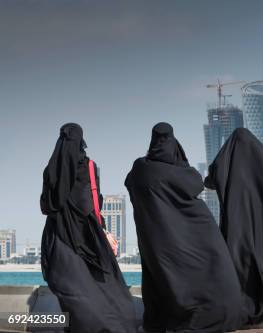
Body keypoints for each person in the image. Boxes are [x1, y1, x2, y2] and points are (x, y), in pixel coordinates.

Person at [124, 123, 244, 333]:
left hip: (157, 240)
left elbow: (130, 183)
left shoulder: (140, 169)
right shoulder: (179, 172)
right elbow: (196, 183)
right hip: (195, 231)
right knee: (213, 269)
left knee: (164, 278)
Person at [40, 123, 138, 333]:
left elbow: (46, 206)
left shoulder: (50, 169)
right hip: (86, 234)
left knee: (71, 289)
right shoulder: (89, 166)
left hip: (58, 237)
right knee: (103, 287)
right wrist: (103, 230)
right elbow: (92, 203)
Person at [205, 127, 263, 325]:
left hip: (237, 222)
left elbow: (212, 178)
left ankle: (239, 303)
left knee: (238, 259)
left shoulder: (227, 161)